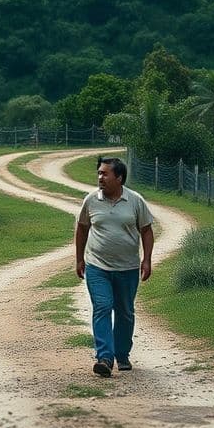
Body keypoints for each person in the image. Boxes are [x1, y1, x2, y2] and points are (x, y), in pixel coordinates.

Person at [75, 156, 154, 377]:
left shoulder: (135, 201)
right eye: (99, 173)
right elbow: (82, 229)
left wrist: (146, 259)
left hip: (128, 268)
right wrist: (79, 259)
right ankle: (105, 358)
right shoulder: (91, 200)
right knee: (102, 307)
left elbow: (146, 231)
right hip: (97, 267)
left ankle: (122, 354)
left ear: (119, 178)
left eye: (105, 173)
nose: (100, 177)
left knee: (125, 312)